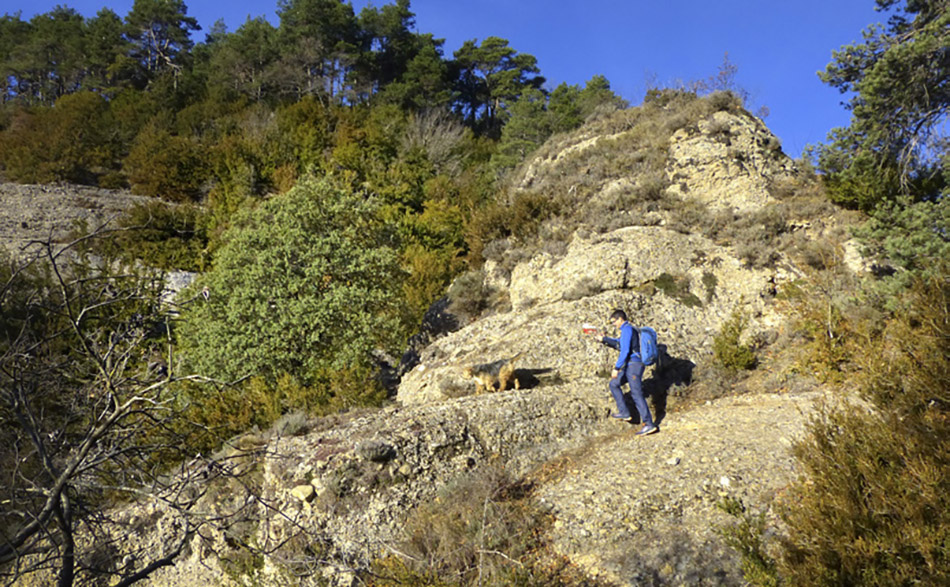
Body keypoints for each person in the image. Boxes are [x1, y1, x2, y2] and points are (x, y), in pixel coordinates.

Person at [593, 309, 658, 436]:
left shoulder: (627, 329)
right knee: (614, 384)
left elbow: (625, 351)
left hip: (634, 365)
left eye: (613, 322)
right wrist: (604, 339)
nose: (613, 325)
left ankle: (648, 423)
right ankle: (624, 412)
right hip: (630, 365)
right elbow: (619, 344)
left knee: (636, 394)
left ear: (620, 319)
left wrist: (616, 368)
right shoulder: (627, 330)